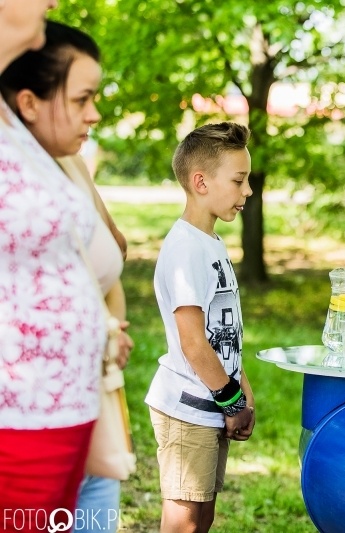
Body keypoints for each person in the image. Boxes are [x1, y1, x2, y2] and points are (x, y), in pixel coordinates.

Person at [0, 20, 134, 532]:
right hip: (25, 418)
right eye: (81, 100)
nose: (94, 115)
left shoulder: (66, 162)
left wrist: (101, 330)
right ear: (30, 102)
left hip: (82, 403)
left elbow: (110, 248)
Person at [145, 121, 256, 533]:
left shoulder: (210, 243)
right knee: (184, 519)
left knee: (202, 513)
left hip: (215, 402)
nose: (247, 191)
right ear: (201, 182)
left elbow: (221, 330)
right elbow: (193, 343)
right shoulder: (186, 248)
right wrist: (232, 402)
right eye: (239, 180)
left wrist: (242, 388)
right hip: (187, 408)